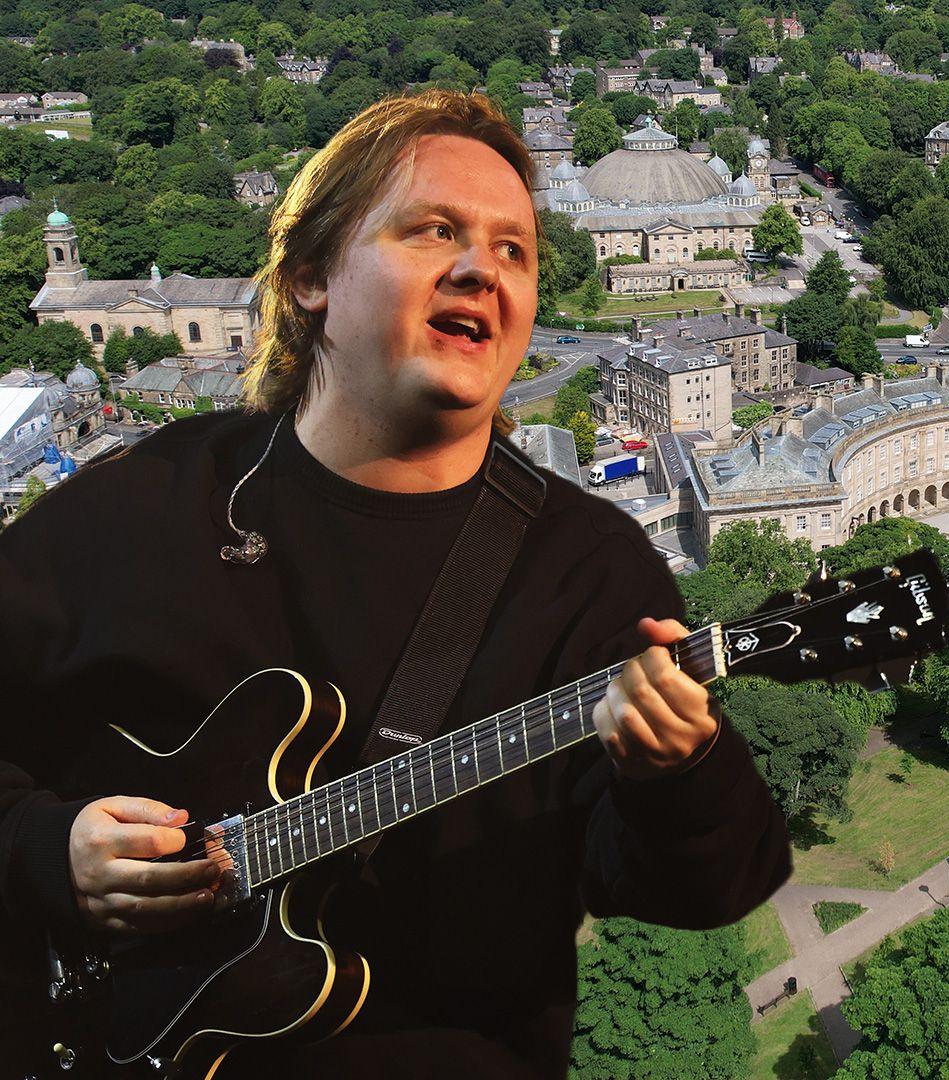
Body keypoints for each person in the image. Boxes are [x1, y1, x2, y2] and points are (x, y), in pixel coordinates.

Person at [0, 91, 791, 1076]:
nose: (479, 268)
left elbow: (707, 885)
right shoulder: (136, 515)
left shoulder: (587, 570)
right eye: (433, 231)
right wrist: (49, 844)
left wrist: (682, 776)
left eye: (516, 250)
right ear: (309, 277)